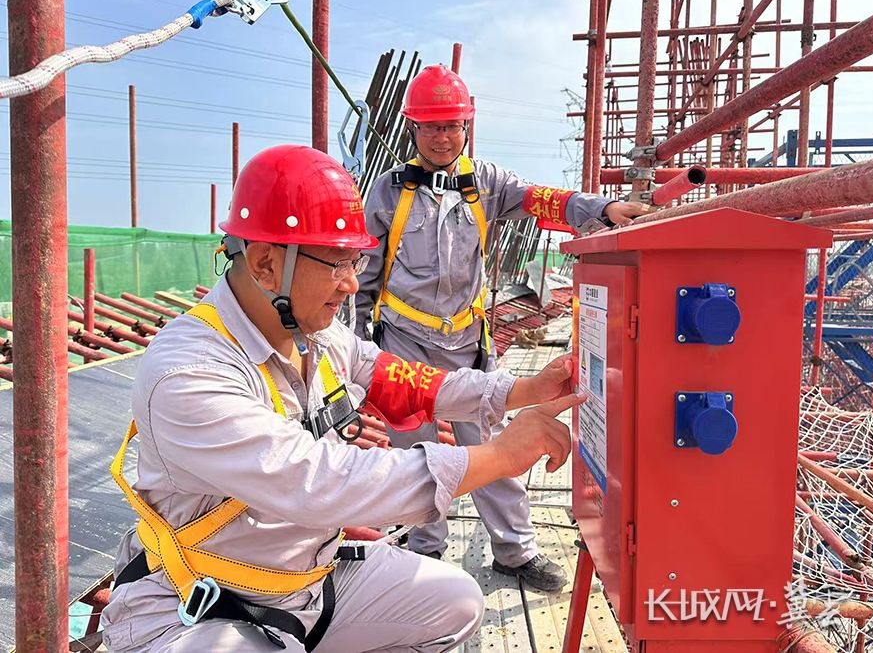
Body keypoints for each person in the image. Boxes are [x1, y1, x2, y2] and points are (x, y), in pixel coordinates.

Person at [100, 145, 582, 653]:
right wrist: (499, 456)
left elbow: (407, 380)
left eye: (356, 261)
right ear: (266, 264)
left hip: (307, 578)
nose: (353, 284)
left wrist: (521, 390)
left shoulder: (317, 335)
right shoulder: (191, 370)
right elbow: (316, 481)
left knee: (455, 602)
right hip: (201, 603)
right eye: (337, 263)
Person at [355, 64, 650, 592]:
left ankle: (515, 551)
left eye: (452, 126)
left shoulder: (486, 183)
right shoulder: (386, 193)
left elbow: (545, 200)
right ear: (413, 129)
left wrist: (604, 207)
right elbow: (364, 275)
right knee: (413, 451)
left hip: (466, 344)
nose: (442, 137)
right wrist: (359, 346)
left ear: (466, 127)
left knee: (493, 442)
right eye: (431, 127)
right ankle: (424, 551)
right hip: (403, 342)